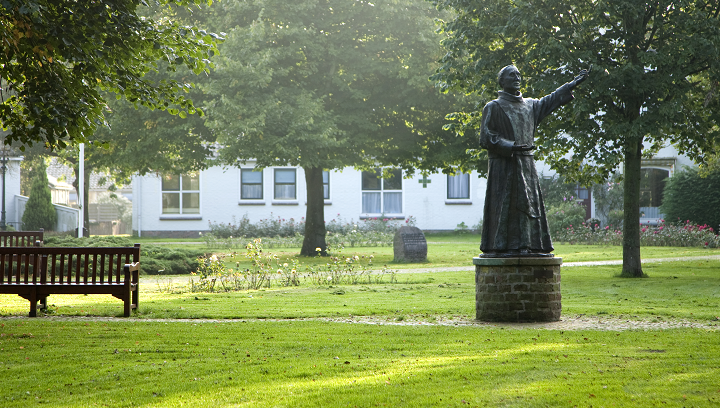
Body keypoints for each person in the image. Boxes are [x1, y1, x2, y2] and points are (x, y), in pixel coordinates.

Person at [479, 65, 589, 257]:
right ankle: (502, 246)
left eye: (519, 74)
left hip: (526, 166)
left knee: (528, 207)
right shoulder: (493, 107)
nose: (517, 77)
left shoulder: (530, 105)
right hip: (504, 167)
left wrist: (571, 85)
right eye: (511, 75)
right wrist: (510, 146)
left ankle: (530, 245)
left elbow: (551, 99)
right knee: (507, 207)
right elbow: (486, 137)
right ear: (502, 81)